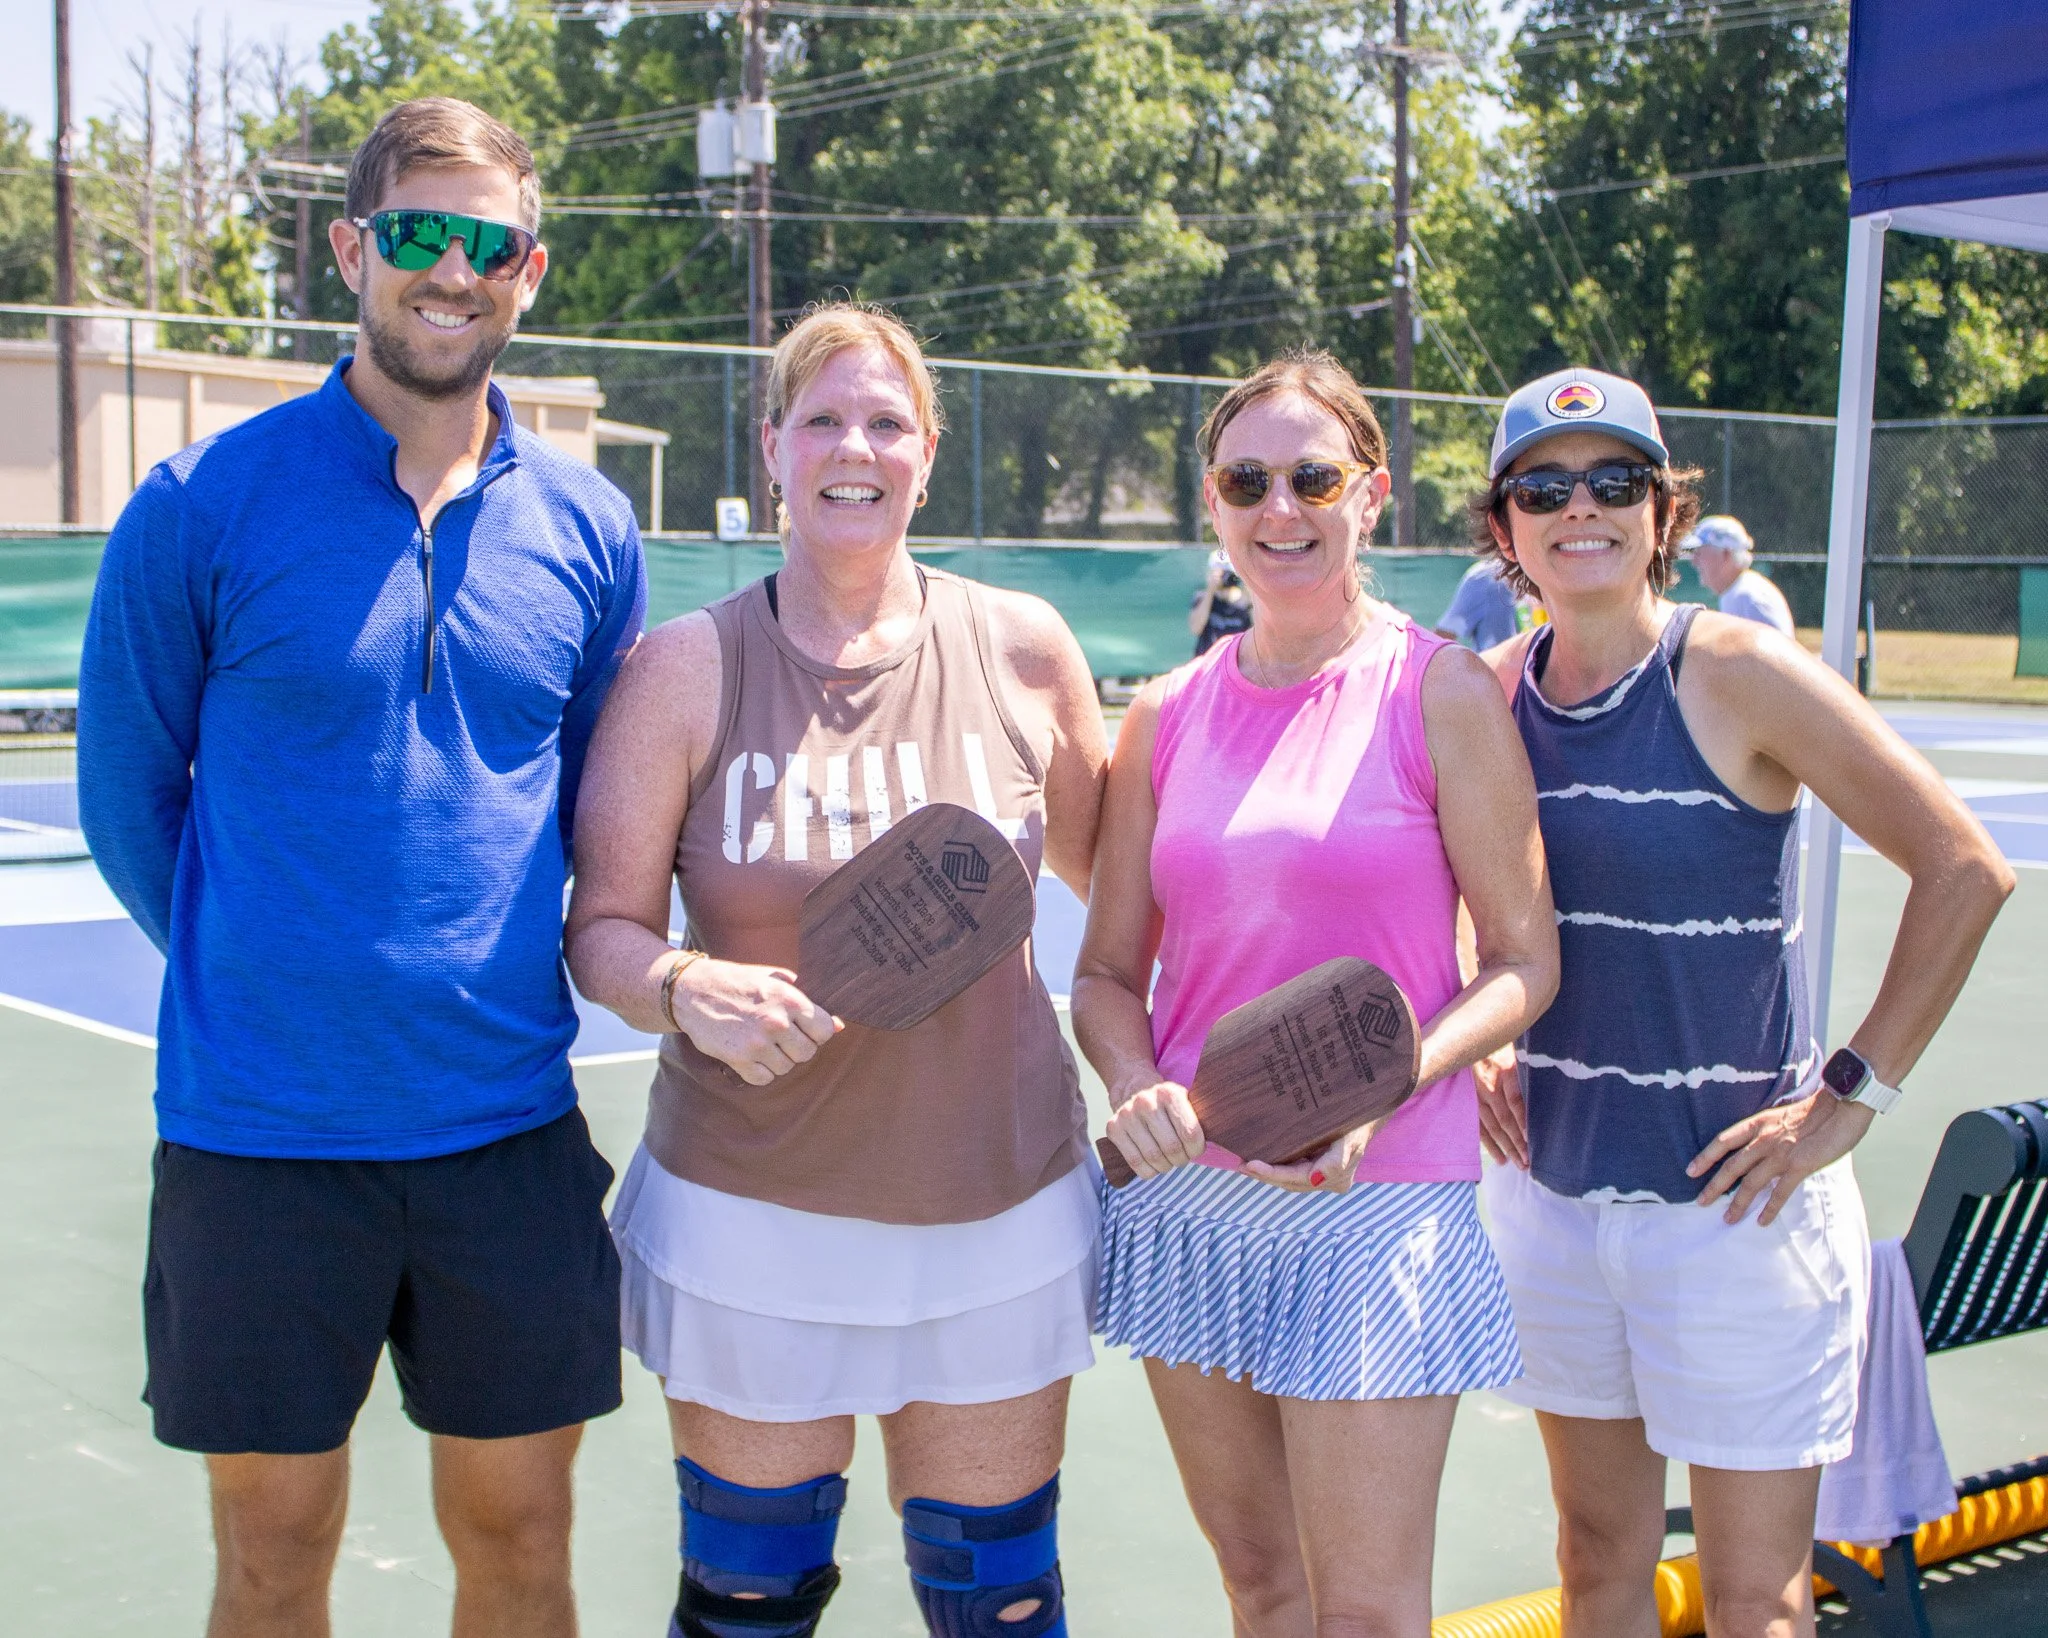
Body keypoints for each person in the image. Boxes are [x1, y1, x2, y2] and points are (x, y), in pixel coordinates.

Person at [76, 99, 644, 1638]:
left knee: (523, 1542)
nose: (451, 272)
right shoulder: (200, 505)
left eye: (489, 243)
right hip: (259, 1138)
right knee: (273, 1554)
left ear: (530, 269)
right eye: (417, 234)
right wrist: (267, 955)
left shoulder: (592, 528)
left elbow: (602, 805)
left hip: (507, 1130)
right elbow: (132, 795)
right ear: (352, 248)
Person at [564, 302, 1108, 1638]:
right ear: (773, 446)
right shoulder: (687, 669)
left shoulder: (1025, 649)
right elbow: (604, 931)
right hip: (753, 1215)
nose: (851, 447)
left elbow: (1135, 899)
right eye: (822, 419)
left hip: (999, 1206)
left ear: (926, 451)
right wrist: (684, 986)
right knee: (749, 1601)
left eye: (884, 422)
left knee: (1000, 1599)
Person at [1469, 367, 2012, 1638]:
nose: (1579, 509)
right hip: (1552, 1205)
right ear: (1503, 528)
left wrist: (1848, 1099)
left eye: (1615, 482)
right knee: (1595, 1562)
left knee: (1751, 1600)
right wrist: (1475, 1037)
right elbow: (1456, 887)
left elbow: (1961, 870)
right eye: (1543, 488)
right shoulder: (1484, 691)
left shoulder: (1734, 672)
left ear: (1663, 513)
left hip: (1736, 1222)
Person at [1072, 350, 1560, 1635]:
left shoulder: (1438, 691)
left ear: (1369, 494)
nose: (1277, 509)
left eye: (1310, 477)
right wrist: (1135, 1089)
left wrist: (1390, 1078)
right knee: (1261, 1590)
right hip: (1193, 1209)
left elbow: (1523, 959)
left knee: (1366, 1615)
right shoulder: (1164, 713)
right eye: (1246, 480)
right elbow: (1108, 975)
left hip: (1375, 1209)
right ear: (1213, 503)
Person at [1685, 513, 1796, 636]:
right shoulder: (1737, 592)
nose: (1694, 561)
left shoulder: (1747, 597)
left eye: (1699, 552)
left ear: (1725, 554)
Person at [1434, 555, 1523, 651]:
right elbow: (1443, 636)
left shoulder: (1485, 575)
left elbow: (1441, 637)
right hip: (1494, 663)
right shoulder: (1485, 576)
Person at [1189, 547, 1254, 655]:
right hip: (1208, 662)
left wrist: (1251, 596)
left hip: (1235, 661)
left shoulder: (1245, 600)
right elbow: (1195, 628)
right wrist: (1210, 591)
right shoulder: (1203, 598)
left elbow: (1258, 632)